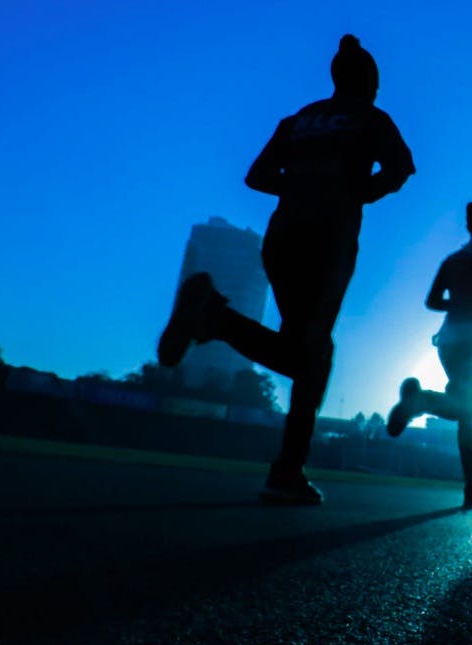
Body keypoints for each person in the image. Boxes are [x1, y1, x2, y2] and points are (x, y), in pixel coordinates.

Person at [157, 34, 415, 505]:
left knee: (307, 351)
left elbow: (255, 176)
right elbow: (402, 169)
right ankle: (284, 468)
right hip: (329, 239)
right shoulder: (371, 118)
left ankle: (217, 322)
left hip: (283, 237)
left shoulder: (298, 120)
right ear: (371, 82)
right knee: (312, 353)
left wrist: (299, 187)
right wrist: (354, 191)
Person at [386, 203, 472, 507]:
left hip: (449, 341)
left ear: (469, 228)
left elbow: (433, 301)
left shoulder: (453, 262)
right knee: (467, 412)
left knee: (466, 411)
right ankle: (421, 402)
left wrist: (459, 305)